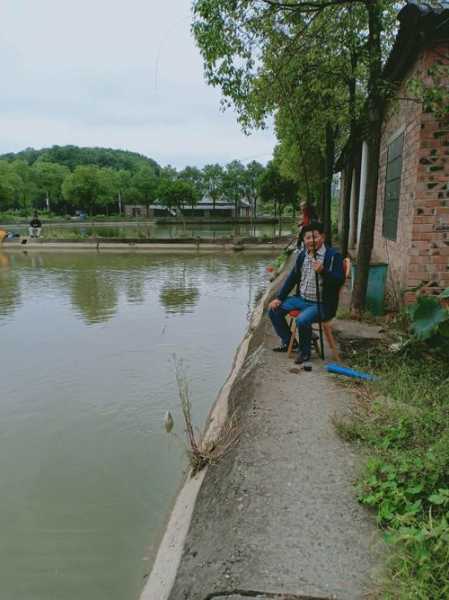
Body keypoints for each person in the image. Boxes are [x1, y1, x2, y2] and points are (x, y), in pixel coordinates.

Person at [268, 222, 344, 364]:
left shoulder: (333, 256)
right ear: (304, 240)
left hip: (322, 304)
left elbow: (339, 281)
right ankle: (289, 341)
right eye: (307, 238)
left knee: (302, 320)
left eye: (314, 237)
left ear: (322, 237)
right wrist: (279, 298)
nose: (311, 241)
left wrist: (323, 271)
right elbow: (292, 279)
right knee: (274, 310)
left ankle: (305, 353)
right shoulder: (303, 255)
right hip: (301, 299)